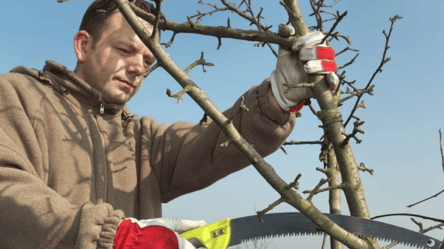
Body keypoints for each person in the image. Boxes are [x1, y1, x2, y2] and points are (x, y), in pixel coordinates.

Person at [0, 0, 338, 248]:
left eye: (147, 60)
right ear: (84, 45)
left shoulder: (141, 138)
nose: (137, 68)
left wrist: (278, 97)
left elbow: (213, 145)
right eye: (124, 50)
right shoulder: (16, 96)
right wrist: (111, 237)